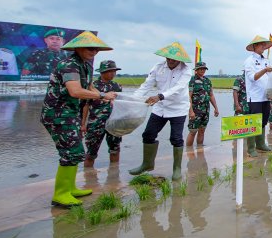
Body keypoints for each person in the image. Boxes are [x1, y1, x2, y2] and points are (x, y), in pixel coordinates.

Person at [40, 31, 117, 208]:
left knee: (76, 151)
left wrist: (103, 96)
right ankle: (60, 194)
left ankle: (70, 187)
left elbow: (88, 86)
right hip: (57, 114)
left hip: (71, 113)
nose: (94, 52)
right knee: (71, 152)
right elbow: (75, 91)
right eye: (90, 48)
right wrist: (103, 95)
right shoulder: (69, 64)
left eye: (96, 49)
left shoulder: (86, 65)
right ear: (79, 47)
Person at [129, 42, 192, 181]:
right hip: (160, 107)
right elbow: (146, 85)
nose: (170, 61)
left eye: (174, 59)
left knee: (176, 138)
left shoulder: (186, 70)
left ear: (180, 60)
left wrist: (160, 96)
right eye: (168, 58)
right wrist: (133, 99)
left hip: (178, 108)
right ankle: (147, 164)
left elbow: (179, 88)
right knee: (148, 134)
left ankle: (177, 169)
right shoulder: (158, 68)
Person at [82, 60, 123, 167]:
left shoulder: (117, 86)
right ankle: (88, 178)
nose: (113, 74)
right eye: (110, 71)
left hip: (114, 123)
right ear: (102, 72)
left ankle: (114, 175)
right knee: (91, 152)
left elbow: (121, 105)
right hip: (95, 124)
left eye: (114, 71)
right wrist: (83, 124)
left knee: (115, 149)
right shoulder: (93, 86)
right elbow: (85, 105)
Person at [244, 35, 272, 156]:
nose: (263, 47)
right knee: (254, 122)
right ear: (255, 46)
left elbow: (270, 78)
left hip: (265, 96)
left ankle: (261, 144)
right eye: (261, 45)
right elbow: (252, 78)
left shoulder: (266, 60)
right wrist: (265, 70)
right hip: (255, 97)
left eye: (264, 45)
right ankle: (251, 148)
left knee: (263, 121)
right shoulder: (249, 61)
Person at [186, 61, 219, 147]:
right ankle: (189, 152)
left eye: (204, 69)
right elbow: (188, 97)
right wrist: (191, 111)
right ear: (196, 70)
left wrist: (216, 108)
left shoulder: (207, 81)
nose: (202, 70)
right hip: (195, 110)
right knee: (193, 131)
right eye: (200, 69)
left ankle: (200, 150)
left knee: (202, 130)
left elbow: (211, 95)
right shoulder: (192, 80)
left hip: (206, 110)